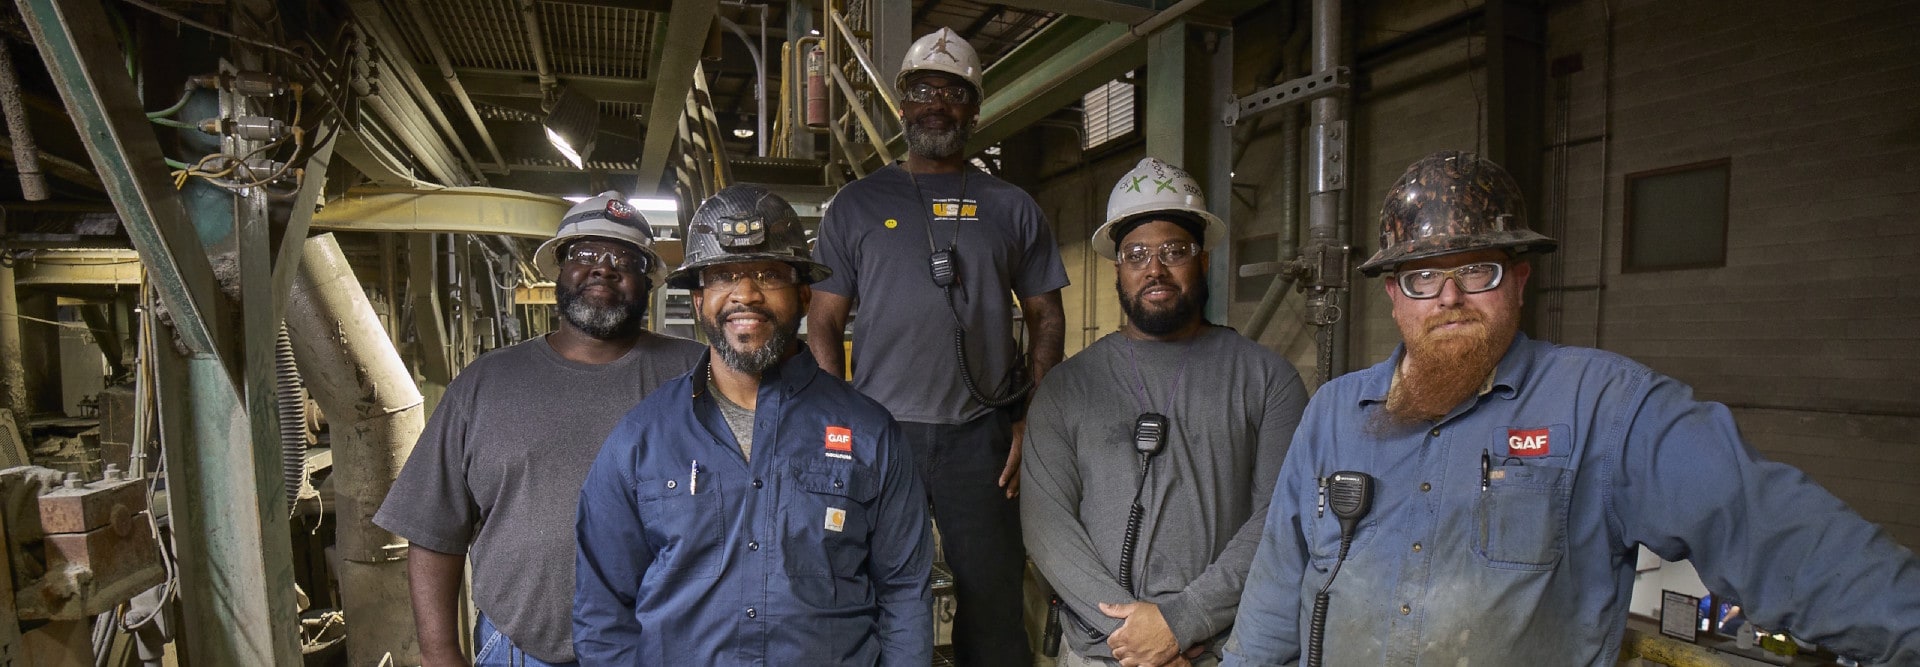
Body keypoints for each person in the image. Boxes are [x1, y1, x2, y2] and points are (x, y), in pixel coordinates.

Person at [1219, 151, 1920, 666]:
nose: (1450, 297)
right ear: (1393, 294)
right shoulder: (1337, 413)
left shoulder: (1605, 409)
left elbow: (1772, 529)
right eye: (1424, 275)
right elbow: (1278, 591)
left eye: (1478, 270)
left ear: (1519, 280)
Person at [574, 184, 933, 665]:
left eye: (767, 273)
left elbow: (905, 594)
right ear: (699, 301)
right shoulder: (641, 438)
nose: (745, 293)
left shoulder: (871, 433)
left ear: (804, 295)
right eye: (723, 276)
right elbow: (601, 614)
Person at [807, 26, 1068, 666]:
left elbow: (1045, 315)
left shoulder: (1011, 206)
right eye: (923, 89)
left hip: (980, 433)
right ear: (901, 104)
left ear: (974, 110)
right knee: (862, 584)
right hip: (878, 432)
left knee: (993, 594)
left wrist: (1030, 417)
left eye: (954, 92)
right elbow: (822, 319)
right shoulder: (857, 204)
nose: (937, 104)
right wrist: (834, 413)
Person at [374, 192, 705, 667]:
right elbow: (432, 528)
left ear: (647, 281)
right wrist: (440, 653)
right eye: (585, 253)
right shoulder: (486, 383)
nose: (603, 268)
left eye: (623, 259)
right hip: (518, 651)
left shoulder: (696, 375)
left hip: (667, 650)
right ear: (559, 269)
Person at [1022, 158, 1308, 667]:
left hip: (1222, 649)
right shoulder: (1066, 387)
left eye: (1174, 251)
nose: (1154, 268)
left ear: (1203, 261)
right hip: (1104, 652)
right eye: (1136, 254)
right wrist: (1133, 637)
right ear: (1118, 269)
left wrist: (1180, 622)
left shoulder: (1268, 379)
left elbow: (1279, 519)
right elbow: (1047, 525)